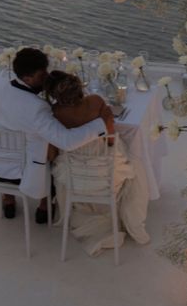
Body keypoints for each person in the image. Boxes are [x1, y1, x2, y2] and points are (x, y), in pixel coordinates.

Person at [0, 47, 109, 223]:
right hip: (20, 174)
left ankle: (7, 199)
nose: (46, 77)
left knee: (17, 139)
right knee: (53, 152)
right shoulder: (37, 108)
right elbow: (67, 141)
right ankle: (44, 205)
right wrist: (101, 124)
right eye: (41, 75)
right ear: (27, 78)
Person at [44, 68, 150, 256]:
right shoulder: (96, 101)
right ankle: (124, 215)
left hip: (74, 180)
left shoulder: (54, 114)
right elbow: (110, 139)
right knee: (132, 160)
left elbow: (51, 155)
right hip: (106, 177)